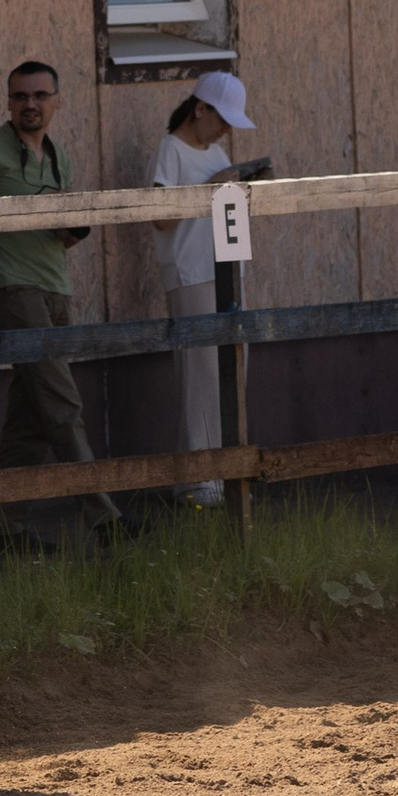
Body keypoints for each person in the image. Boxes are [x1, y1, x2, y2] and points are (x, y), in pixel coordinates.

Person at [0, 59, 117, 528]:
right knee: (63, 404)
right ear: (8, 101)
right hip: (11, 287)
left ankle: (5, 529)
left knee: (30, 417)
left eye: (40, 95)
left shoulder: (59, 155)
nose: (30, 104)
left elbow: (61, 235)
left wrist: (73, 227)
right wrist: (45, 212)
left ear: (57, 101)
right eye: (20, 96)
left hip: (54, 285)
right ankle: (103, 517)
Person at [151, 72, 254, 506]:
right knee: (200, 374)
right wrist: (208, 190)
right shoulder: (171, 151)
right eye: (222, 118)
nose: (227, 128)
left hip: (228, 269)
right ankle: (199, 480)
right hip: (191, 273)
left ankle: (223, 472)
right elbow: (160, 218)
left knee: (232, 370)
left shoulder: (218, 152)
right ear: (200, 109)